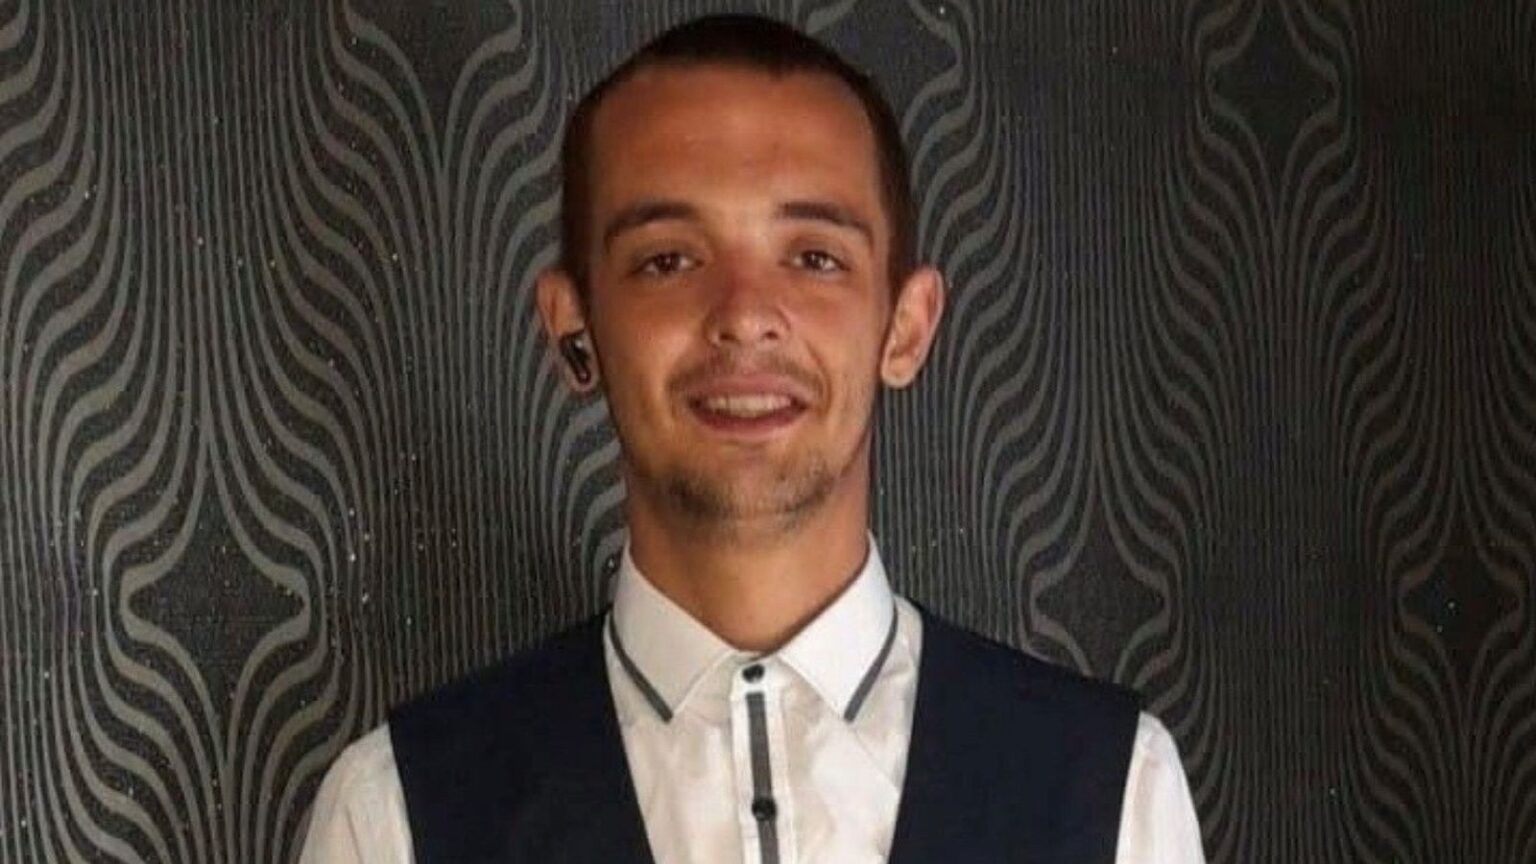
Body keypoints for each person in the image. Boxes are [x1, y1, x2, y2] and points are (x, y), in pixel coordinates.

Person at [299, 13, 1205, 864]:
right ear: (575, 329)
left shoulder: (1116, 789)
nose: (743, 314)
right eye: (668, 260)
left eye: (814, 258)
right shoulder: (395, 815)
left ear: (906, 326)